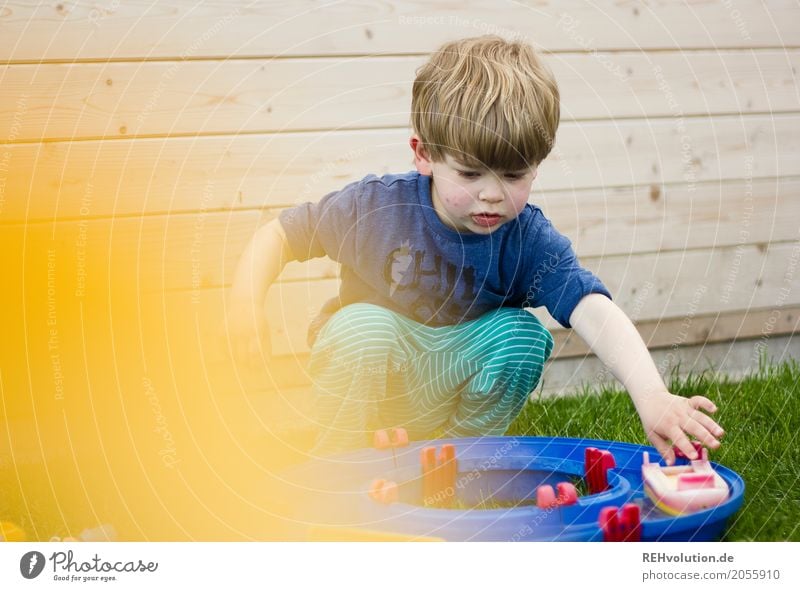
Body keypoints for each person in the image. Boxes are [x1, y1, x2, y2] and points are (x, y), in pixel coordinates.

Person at [226, 36, 724, 462]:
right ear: (424, 155)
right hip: (375, 375)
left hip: (448, 381)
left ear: (536, 166)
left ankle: (460, 463)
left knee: (521, 333)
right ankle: (338, 467)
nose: (492, 194)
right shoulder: (377, 209)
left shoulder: (526, 236)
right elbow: (281, 234)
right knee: (365, 326)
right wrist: (245, 301)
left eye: (513, 176)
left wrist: (652, 394)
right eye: (469, 174)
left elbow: (592, 308)